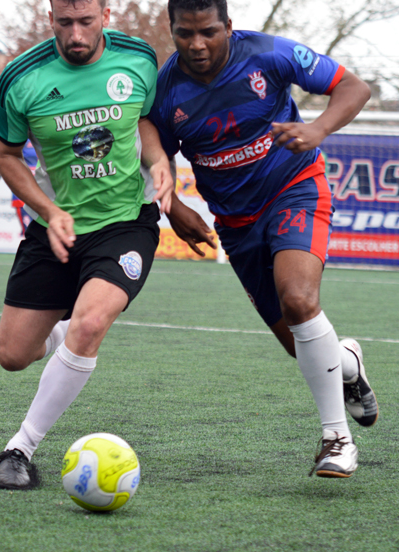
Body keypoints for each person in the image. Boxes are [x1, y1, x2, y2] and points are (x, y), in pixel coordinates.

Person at [146, 0, 376, 477]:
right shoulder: (166, 89)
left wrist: (317, 128)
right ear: (171, 30)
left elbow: (355, 87)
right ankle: (348, 364)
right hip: (236, 223)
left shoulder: (270, 54)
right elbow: (152, 145)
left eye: (208, 32)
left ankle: (337, 439)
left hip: (296, 188)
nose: (197, 44)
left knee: (298, 299)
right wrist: (172, 205)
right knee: (300, 344)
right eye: (184, 34)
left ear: (229, 26)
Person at [0, 0, 173, 489]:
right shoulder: (20, 78)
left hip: (126, 222)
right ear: (51, 17)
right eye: (64, 22)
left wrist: (158, 161)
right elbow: (6, 153)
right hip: (56, 225)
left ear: (106, 14)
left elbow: (147, 121)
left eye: (85, 22)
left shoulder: (138, 59)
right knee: (13, 355)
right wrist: (49, 212)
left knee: (91, 323)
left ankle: (19, 449)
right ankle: (62, 331)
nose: (75, 34)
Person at [0, 140, 37, 235]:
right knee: (30, 234)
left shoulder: (45, 136)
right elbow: (3, 163)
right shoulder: (20, 139)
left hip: (44, 193)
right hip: (23, 192)